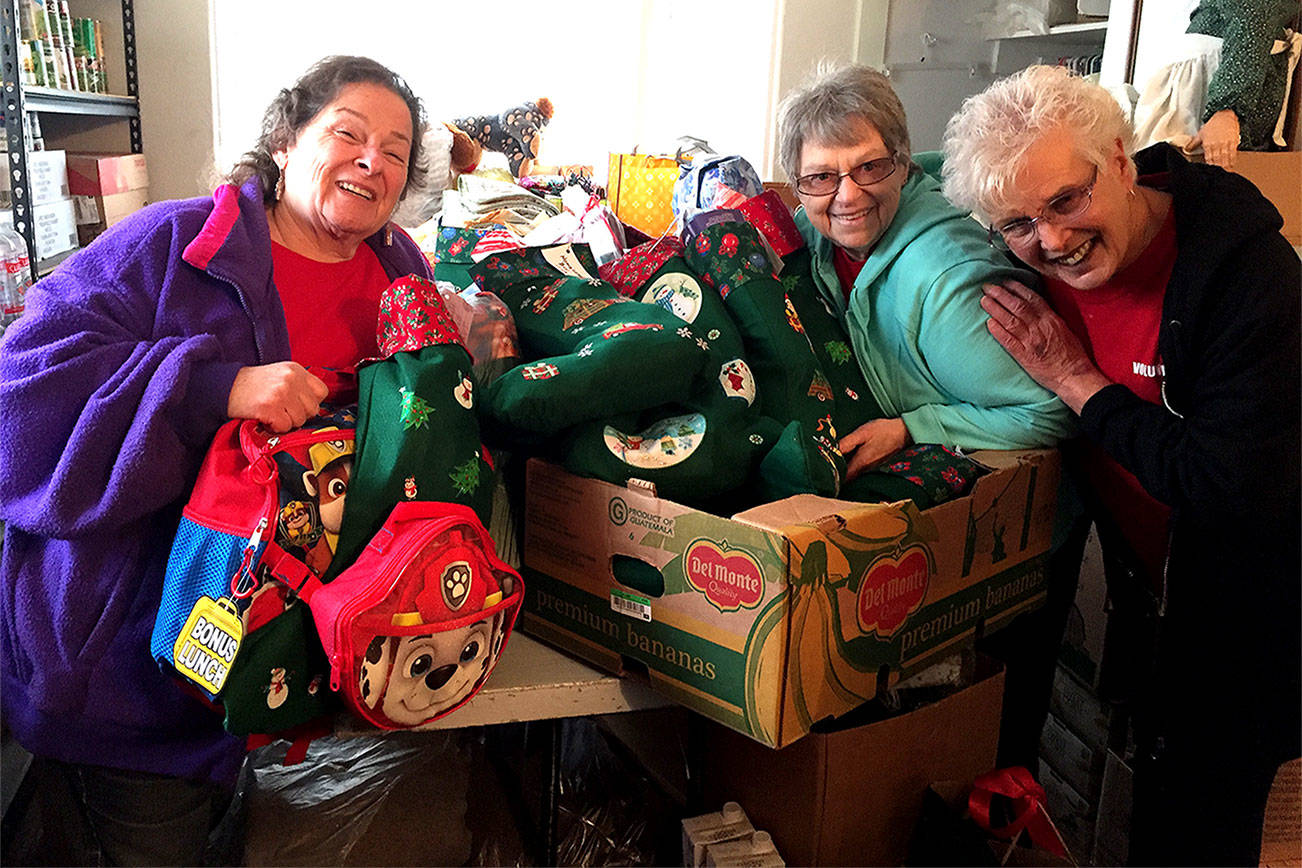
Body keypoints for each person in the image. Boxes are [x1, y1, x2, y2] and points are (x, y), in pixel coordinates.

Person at [0, 55, 433, 865]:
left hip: (275, 671)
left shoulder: (401, 272)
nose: (373, 161)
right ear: (284, 139)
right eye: (349, 134)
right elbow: (19, 388)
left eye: (396, 151)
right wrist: (213, 388)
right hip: (126, 676)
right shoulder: (171, 242)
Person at [942, 63, 1300, 866]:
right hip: (1144, 595)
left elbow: (1232, 487)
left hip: (1256, 603)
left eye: (1068, 200)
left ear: (1120, 157)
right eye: (1018, 225)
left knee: (1203, 825)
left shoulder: (1250, 278)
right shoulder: (1035, 273)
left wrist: (1077, 381)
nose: (1054, 241)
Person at [775, 64, 1076, 480]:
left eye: (869, 168)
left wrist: (913, 428)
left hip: (1000, 512)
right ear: (798, 185)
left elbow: (1050, 413)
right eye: (822, 176)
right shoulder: (812, 236)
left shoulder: (945, 282)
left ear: (901, 165)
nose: (847, 196)